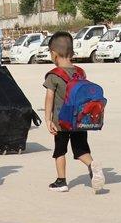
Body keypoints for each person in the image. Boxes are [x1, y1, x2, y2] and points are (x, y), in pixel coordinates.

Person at [43, 31, 104, 193]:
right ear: (72, 53)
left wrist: (48, 119)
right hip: (79, 120)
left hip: (61, 123)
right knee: (81, 149)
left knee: (60, 151)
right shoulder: (80, 72)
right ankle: (92, 165)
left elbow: (49, 98)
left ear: (54, 54)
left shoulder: (53, 76)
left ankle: (61, 181)